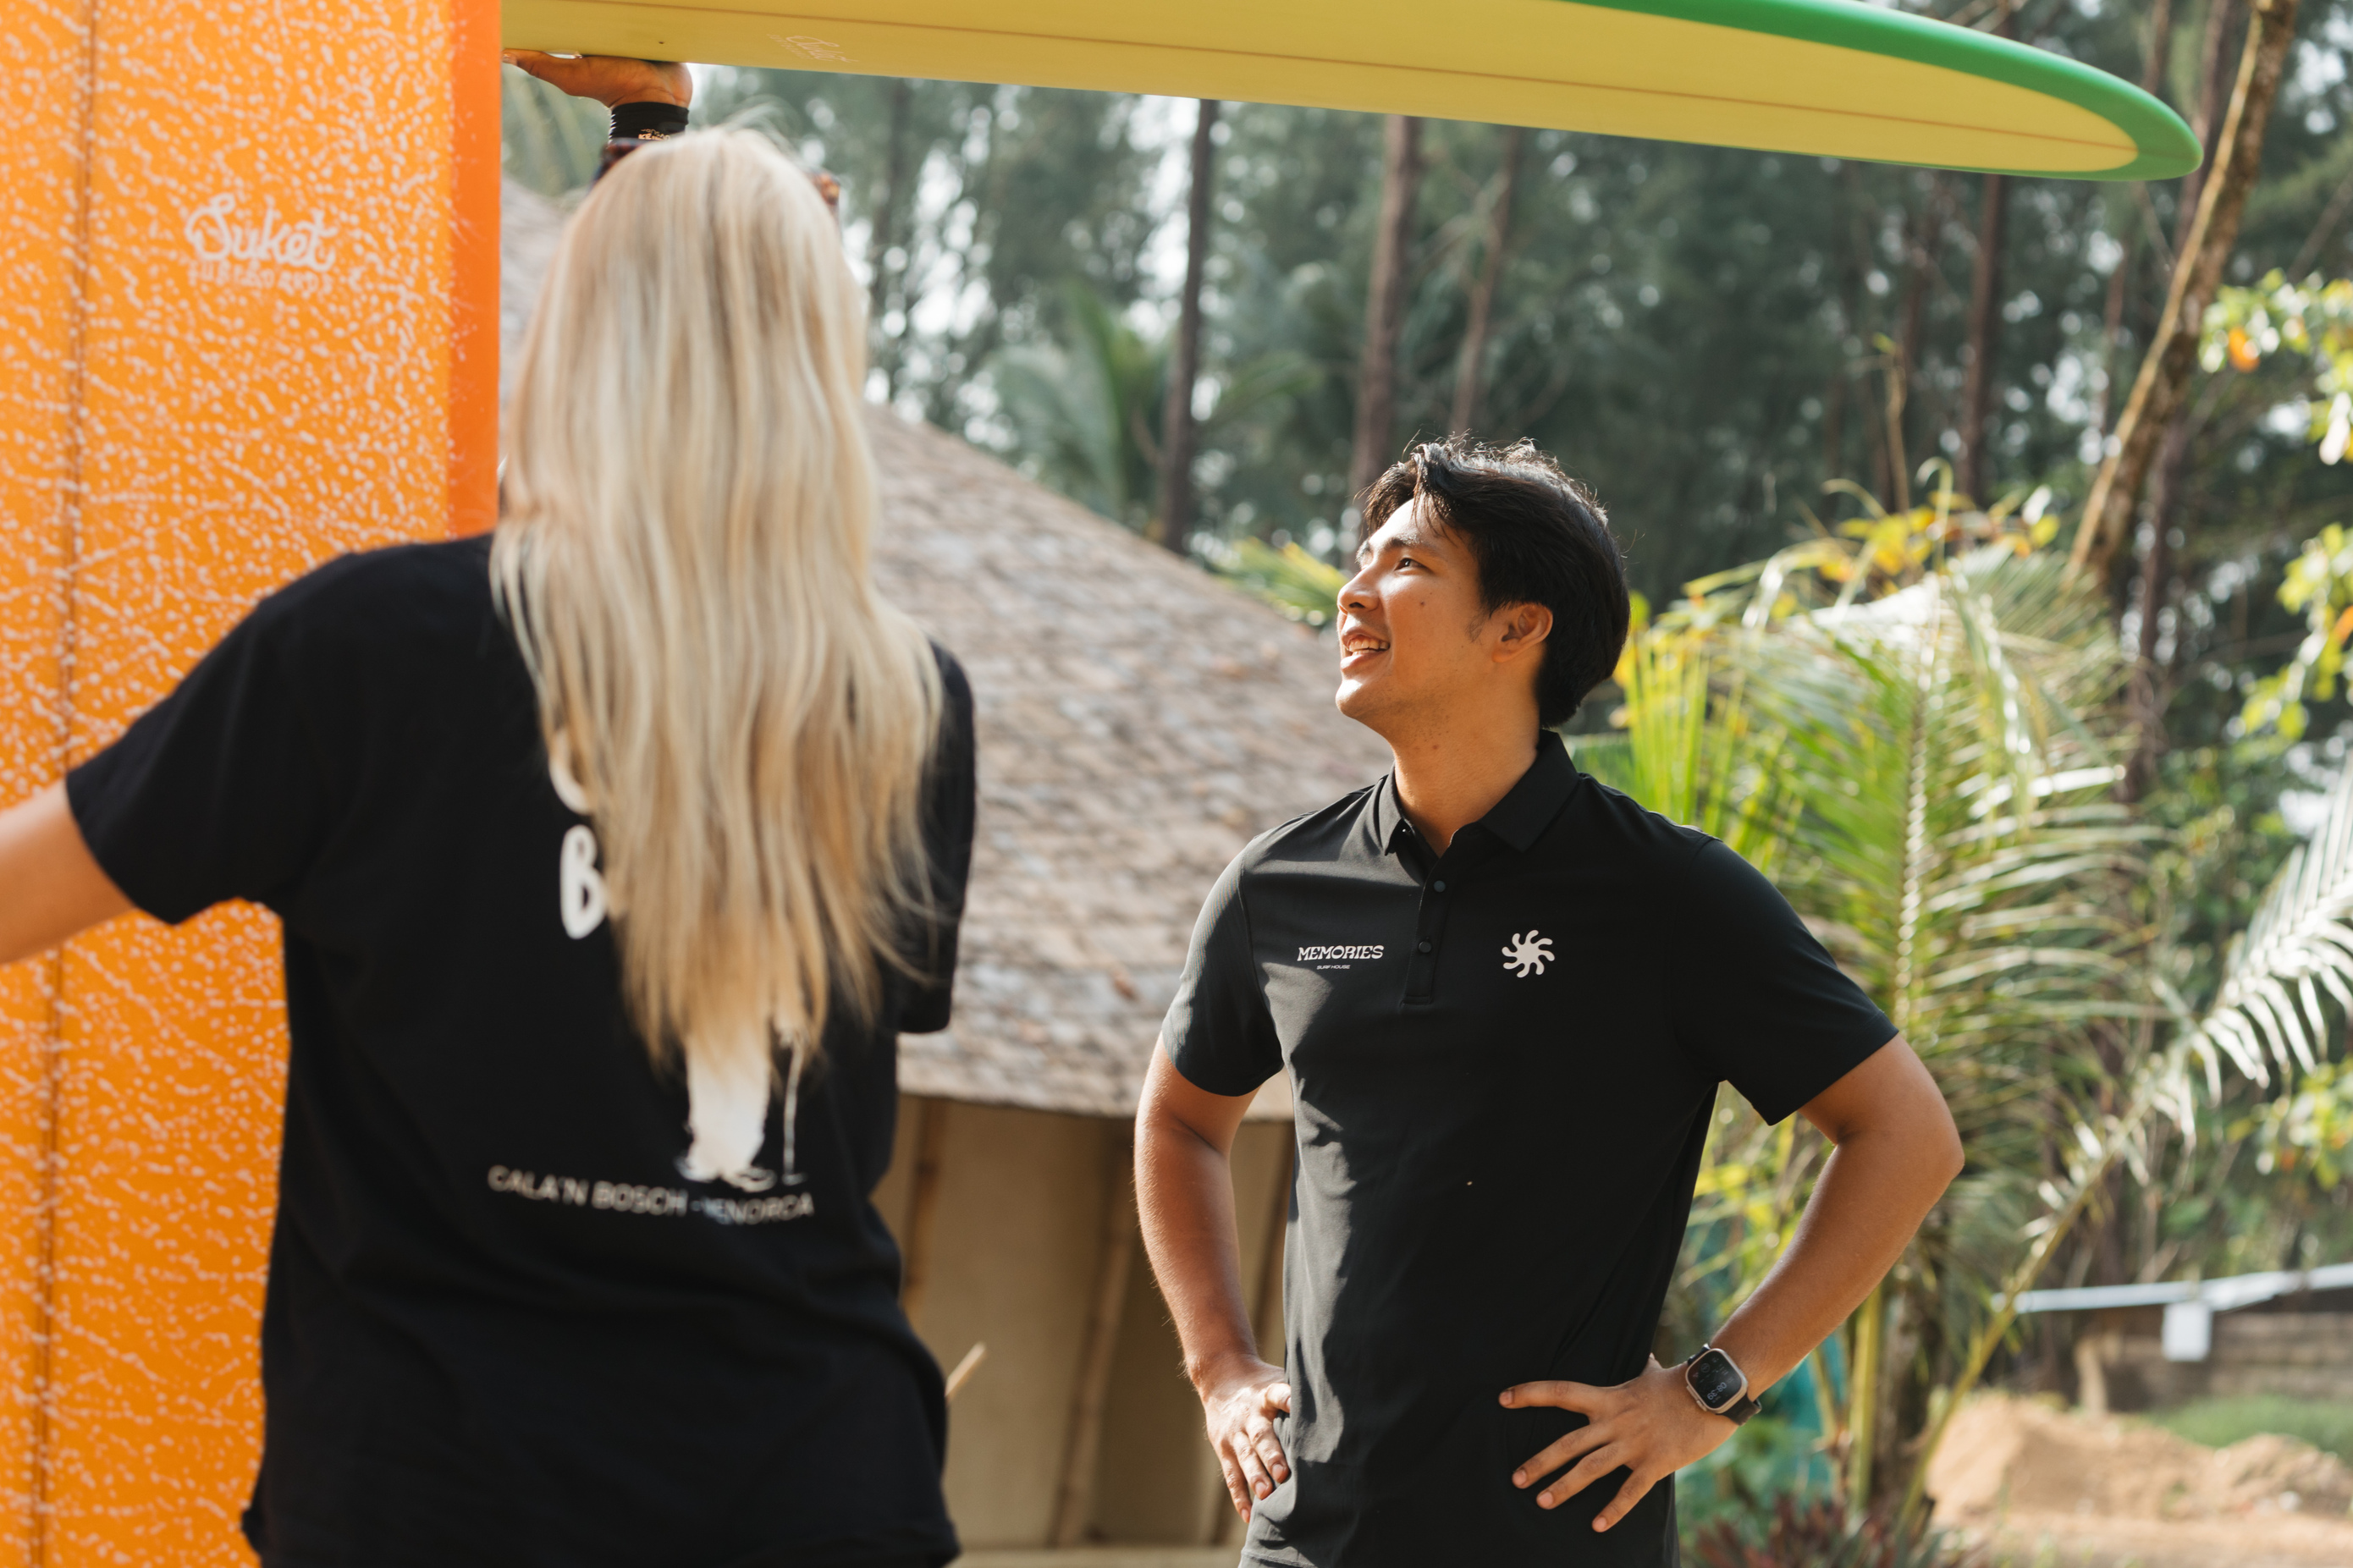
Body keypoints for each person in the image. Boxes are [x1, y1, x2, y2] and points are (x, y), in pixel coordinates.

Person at [0, 93, 973, 1568]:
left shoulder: (370, 649)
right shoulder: (906, 704)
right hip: (814, 1487)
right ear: (820, 368)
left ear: (577, 337)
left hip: (443, 1493)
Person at [1136, 437, 1965, 1565]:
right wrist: (1222, 1368)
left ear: (1518, 626)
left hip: (1564, 1537)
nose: (1353, 591)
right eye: (1361, 560)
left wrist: (1713, 1387)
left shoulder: (1668, 894)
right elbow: (1181, 1122)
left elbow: (1907, 1134)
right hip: (1310, 1535)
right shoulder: (1276, 886)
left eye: (1406, 566)